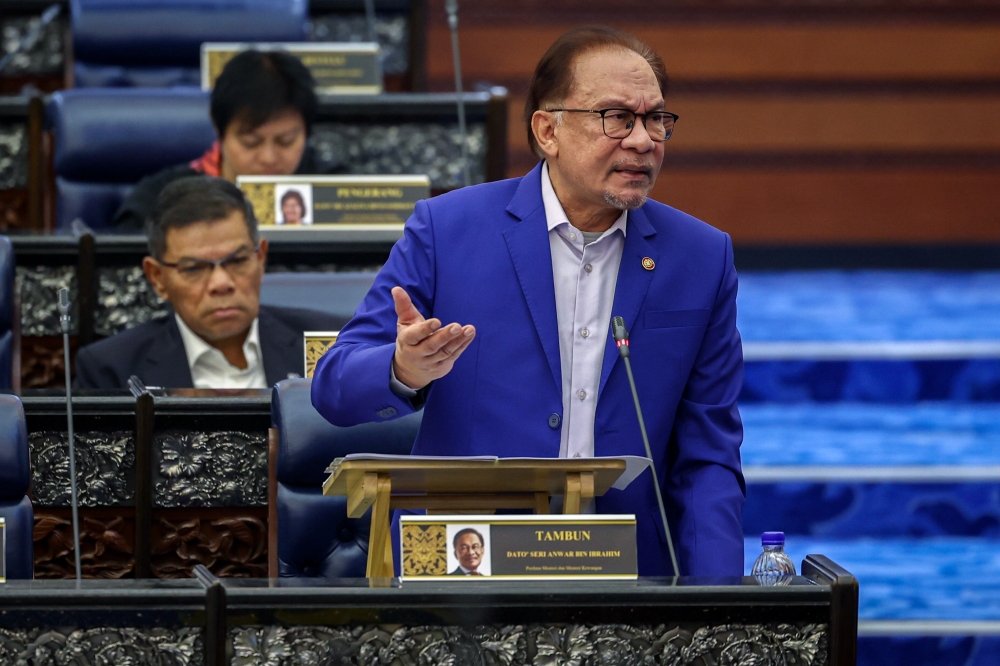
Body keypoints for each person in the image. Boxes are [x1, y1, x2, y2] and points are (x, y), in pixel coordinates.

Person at [310, 27, 744, 577]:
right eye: (615, 117)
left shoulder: (701, 257)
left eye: (655, 119)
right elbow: (332, 387)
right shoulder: (448, 229)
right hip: (465, 562)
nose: (642, 140)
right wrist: (401, 369)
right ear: (548, 130)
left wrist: (720, 602)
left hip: (625, 567)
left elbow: (708, 455)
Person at [77, 176, 347, 389]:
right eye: (194, 268)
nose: (221, 283)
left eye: (238, 261)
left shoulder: (334, 344)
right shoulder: (112, 370)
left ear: (260, 257)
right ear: (157, 278)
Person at [112, 50, 323, 230]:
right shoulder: (160, 201)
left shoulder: (336, 190)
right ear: (218, 128)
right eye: (251, 142)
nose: (268, 158)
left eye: (286, 141)